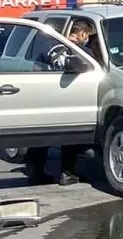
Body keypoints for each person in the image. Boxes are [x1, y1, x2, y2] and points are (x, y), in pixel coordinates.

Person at [25, 21, 96, 186]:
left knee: (40, 137)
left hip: (44, 98)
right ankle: (67, 173)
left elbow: (34, 72)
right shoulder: (84, 52)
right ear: (83, 34)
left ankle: (36, 173)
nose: (87, 39)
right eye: (88, 35)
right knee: (70, 136)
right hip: (69, 100)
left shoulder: (46, 47)